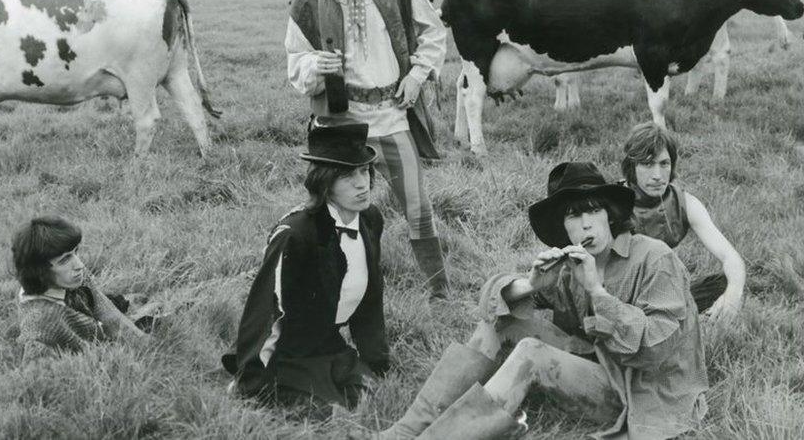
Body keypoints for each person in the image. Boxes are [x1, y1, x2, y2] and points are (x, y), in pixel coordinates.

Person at [382, 162, 707, 440]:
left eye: (594, 209)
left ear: (610, 214)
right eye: (573, 216)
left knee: (530, 353)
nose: (586, 223)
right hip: (596, 360)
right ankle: (404, 431)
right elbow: (489, 307)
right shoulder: (571, 266)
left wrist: (598, 292)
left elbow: (657, 349)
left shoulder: (654, 258)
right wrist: (530, 284)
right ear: (562, 227)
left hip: (641, 388)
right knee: (502, 323)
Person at [285, 0, 450, 299]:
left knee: (417, 206)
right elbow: (296, 62)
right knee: (341, 209)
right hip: (344, 122)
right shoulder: (307, 1)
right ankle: (342, 285)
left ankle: (439, 291)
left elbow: (433, 32)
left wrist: (416, 76)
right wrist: (316, 65)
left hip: (393, 114)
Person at [221, 121, 389, 412]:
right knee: (326, 412)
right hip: (290, 353)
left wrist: (377, 362)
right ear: (325, 182)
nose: (362, 183)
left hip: (329, 344)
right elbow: (265, 313)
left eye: (364, 171)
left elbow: (370, 301)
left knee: (370, 396)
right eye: (349, 175)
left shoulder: (370, 219)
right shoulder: (295, 235)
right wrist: (252, 380)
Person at [622, 121, 746, 323]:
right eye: (647, 163)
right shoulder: (613, 203)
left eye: (664, 164)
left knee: (727, 283)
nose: (657, 175)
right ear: (631, 167)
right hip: (622, 297)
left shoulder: (685, 202)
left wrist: (733, 294)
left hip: (663, 292)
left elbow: (730, 256)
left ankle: (682, 320)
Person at [12, 216, 145, 361]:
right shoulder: (41, 322)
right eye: (64, 260)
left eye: (76, 252)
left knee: (148, 309)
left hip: (94, 323)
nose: (79, 265)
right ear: (39, 271)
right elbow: (38, 373)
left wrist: (142, 341)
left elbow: (104, 308)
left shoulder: (73, 276)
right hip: (95, 360)